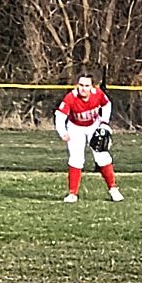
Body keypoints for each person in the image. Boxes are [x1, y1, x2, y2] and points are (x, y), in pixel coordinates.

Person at [54, 71, 124, 203]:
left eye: (86, 85)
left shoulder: (98, 94)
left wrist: (104, 122)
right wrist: (62, 132)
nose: (83, 88)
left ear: (92, 87)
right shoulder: (71, 97)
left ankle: (113, 189)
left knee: (102, 157)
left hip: (94, 125)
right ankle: (72, 193)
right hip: (75, 127)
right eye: (80, 85)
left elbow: (107, 104)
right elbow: (60, 115)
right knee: (76, 159)